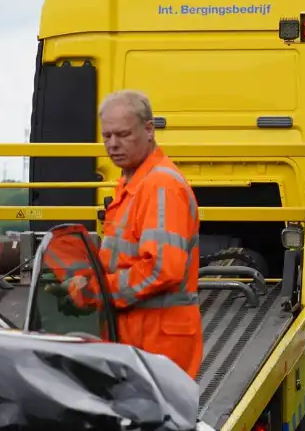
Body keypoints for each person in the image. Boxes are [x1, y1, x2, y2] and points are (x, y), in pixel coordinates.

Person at [62, 89, 203, 379]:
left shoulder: (160, 186)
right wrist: (89, 277)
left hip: (159, 344)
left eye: (123, 134)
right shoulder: (133, 184)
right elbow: (124, 257)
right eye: (107, 135)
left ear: (149, 130)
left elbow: (162, 270)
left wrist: (97, 290)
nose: (113, 144)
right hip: (141, 339)